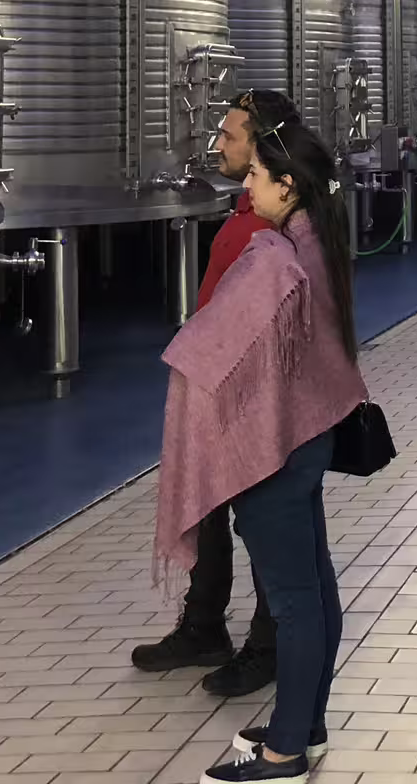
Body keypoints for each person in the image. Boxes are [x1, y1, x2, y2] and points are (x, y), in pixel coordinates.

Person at [154, 112, 366, 783]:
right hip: (307, 438)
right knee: (314, 587)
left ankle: (282, 755)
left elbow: (215, 351)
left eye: (254, 176)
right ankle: (305, 726)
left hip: (275, 450)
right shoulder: (316, 241)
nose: (246, 188)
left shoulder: (275, 262)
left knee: (295, 600)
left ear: (288, 185)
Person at [131, 90, 301, 697]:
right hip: (214, 387)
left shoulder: (276, 234)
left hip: (251, 396)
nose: (219, 145)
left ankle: (269, 641)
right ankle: (204, 625)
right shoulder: (243, 212)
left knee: (261, 517)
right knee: (206, 508)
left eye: (231, 137)